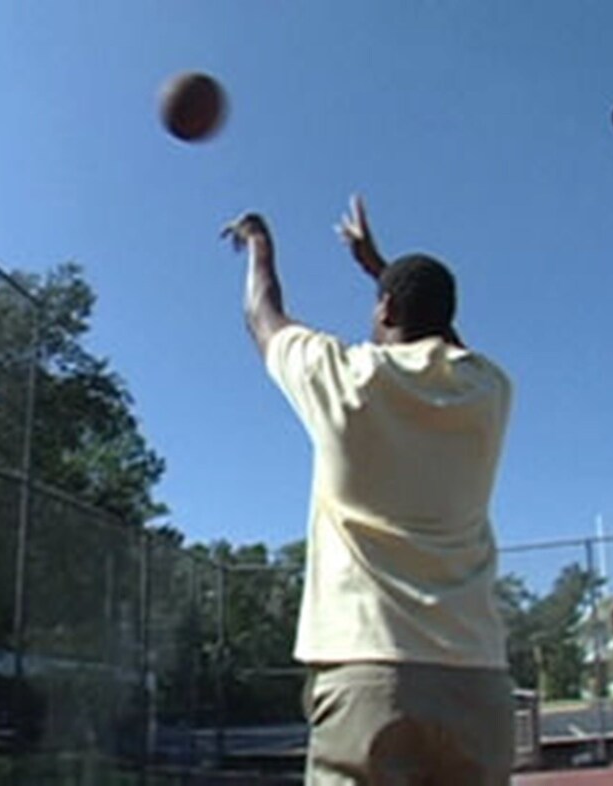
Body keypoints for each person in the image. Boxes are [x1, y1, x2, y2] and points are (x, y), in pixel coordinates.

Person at [221, 196, 515, 785]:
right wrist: (380, 266)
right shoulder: (489, 391)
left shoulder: (343, 378)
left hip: (368, 672)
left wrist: (259, 242)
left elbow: (263, 315)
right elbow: (445, 340)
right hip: (478, 679)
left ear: (385, 309)